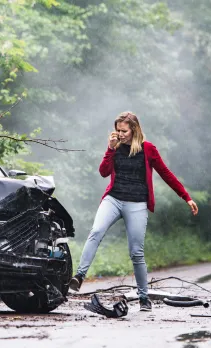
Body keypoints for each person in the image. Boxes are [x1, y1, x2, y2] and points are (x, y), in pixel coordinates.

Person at [68, 111, 199, 312]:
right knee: (96, 231)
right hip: (113, 199)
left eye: (124, 131)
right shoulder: (115, 147)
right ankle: (79, 276)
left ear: (134, 130)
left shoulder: (148, 149)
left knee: (136, 252)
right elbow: (103, 172)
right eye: (118, 130)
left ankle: (144, 298)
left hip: (137, 203)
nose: (120, 134)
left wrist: (186, 196)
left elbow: (166, 173)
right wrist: (110, 150)